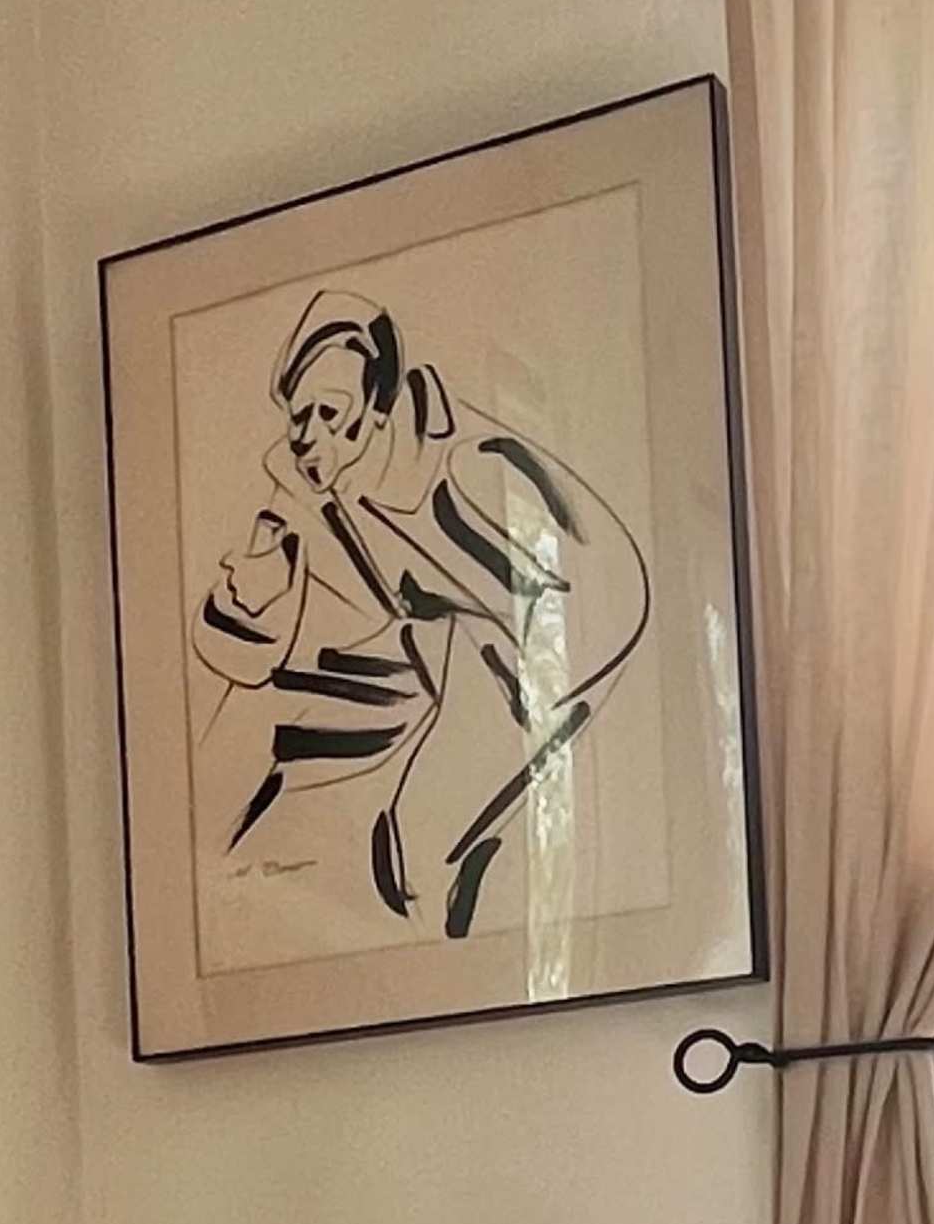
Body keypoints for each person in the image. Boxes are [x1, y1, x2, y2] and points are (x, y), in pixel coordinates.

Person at [192, 287, 648, 944]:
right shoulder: (306, 479)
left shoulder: (466, 467)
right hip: (428, 650)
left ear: (376, 408)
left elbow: (573, 616)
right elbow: (243, 646)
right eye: (298, 418)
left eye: (328, 413)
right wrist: (253, 591)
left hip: (533, 657)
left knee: (422, 857)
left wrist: (509, 700)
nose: (307, 437)